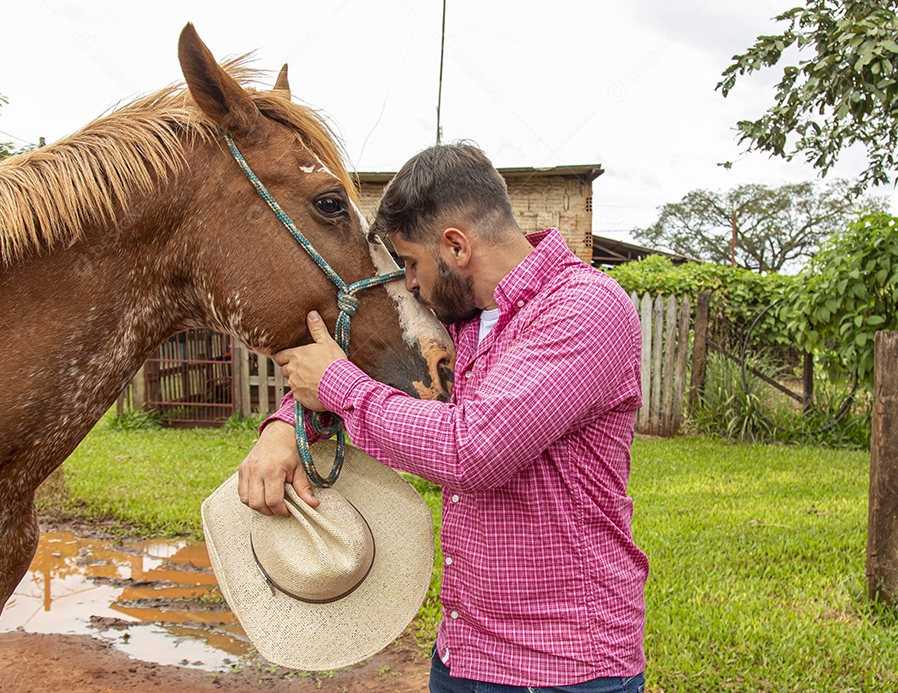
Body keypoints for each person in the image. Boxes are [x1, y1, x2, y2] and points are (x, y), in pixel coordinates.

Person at [237, 143, 648, 693]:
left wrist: (336, 386)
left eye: (410, 263)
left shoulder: (585, 309)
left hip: (563, 666)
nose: (408, 283)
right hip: (462, 654)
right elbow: (371, 366)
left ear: (455, 246)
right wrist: (287, 425)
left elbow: (473, 450)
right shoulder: (462, 322)